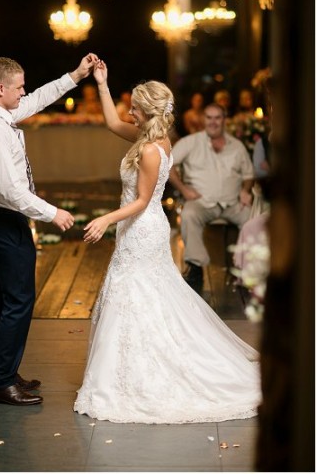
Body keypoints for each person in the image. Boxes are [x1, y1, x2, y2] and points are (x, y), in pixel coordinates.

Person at [73, 59, 261, 423]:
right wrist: (102, 83)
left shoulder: (149, 149)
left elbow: (142, 201)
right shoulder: (152, 138)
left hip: (142, 228)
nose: (129, 113)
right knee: (143, 297)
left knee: (133, 296)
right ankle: (129, 370)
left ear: (146, 112)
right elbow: (111, 122)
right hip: (140, 228)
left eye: (134, 109)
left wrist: (106, 219)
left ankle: (139, 375)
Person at [0, 55, 92, 406]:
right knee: (18, 301)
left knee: (1, 299)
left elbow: (38, 99)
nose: (25, 92)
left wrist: (75, 74)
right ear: (1, 88)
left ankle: (3, 372)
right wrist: (52, 213)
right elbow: (9, 190)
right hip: (2, 220)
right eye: (19, 87)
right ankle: (0, 382)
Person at [169, 103, 255, 295]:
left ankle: (248, 269)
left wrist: (245, 190)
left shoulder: (237, 146)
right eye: (209, 117)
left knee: (253, 218)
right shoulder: (190, 142)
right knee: (189, 214)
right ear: (203, 119)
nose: (213, 122)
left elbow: (248, 174)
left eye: (218, 117)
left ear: (224, 120)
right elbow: (167, 163)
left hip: (233, 203)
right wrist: (183, 189)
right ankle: (195, 269)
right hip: (201, 202)